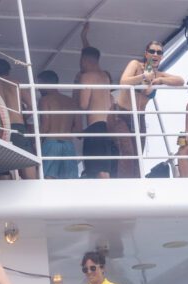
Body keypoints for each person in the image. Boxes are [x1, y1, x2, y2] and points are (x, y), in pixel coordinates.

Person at [110, 41, 183, 178]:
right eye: (152, 51)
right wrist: (143, 76)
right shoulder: (136, 65)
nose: (155, 54)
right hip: (121, 114)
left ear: (161, 56)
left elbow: (180, 81)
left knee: (138, 155)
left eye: (159, 52)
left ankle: (137, 186)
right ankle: (125, 187)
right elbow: (123, 82)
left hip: (139, 118)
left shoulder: (159, 75)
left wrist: (161, 81)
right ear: (146, 53)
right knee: (128, 152)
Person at [74, 24, 116, 178]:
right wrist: (84, 38)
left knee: (98, 170)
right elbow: (90, 54)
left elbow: (83, 105)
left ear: (84, 60)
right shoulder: (104, 76)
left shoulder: (87, 77)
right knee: (105, 167)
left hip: (95, 127)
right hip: (107, 127)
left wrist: (77, 88)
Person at [0, 58, 37, 179]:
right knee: (26, 158)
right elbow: (32, 105)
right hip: (17, 125)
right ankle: (34, 188)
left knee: (2, 164)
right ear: (9, 70)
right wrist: (24, 115)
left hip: (0, 128)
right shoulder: (15, 83)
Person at [37, 70, 80, 179]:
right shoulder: (71, 102)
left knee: (48, 178)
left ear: (45, 83)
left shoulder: (44, 100)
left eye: (39, 84)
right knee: (69, 181)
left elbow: (45, 126)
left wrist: (35, 141)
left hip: (51, 142)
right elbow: (78, 130)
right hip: (68, 144)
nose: (38, 88)